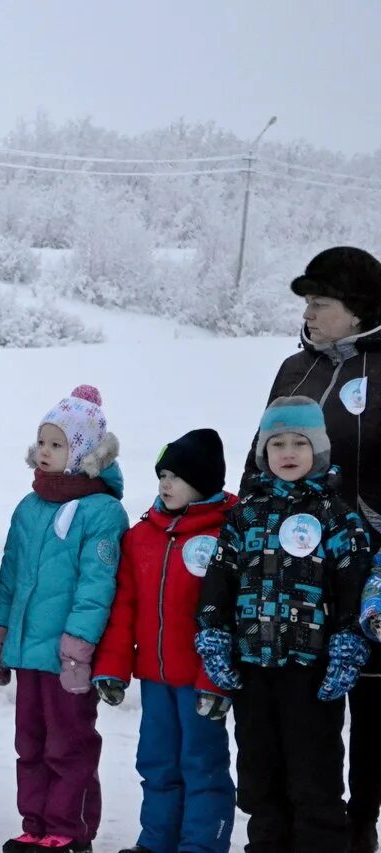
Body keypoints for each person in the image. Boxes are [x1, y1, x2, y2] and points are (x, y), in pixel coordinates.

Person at [243, 246, 381, 853]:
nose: (311, 313)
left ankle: (361, 825)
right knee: (300, 711)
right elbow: (263, 452)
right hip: (294, 572)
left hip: (368, 563)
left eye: (322, 303)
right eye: (308, 303)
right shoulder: (295, 367)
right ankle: (302, 825)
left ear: (357, 310)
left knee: (371, 701)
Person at [200, 396, 373, 851]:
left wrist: (347, 644)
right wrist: (214, 635)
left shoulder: (337, 517)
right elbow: (220, 580)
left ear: (317, 450)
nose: (289, 453)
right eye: (278, 444)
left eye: (300, 442)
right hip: (253, 668)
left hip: (311, 673)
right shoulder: (243, 515)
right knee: (259, 779)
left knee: (313, 779)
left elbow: (352, 586)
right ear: (263, 452)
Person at [0, 385, 128, 853]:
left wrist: (79, 646)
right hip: (28, 652)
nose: (44, 452)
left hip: (68, 656)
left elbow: (96, 586)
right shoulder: (30, 506)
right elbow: (9, 576)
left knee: (69, 745)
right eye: (42, 442)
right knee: (30, 744)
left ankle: (69, 829)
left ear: (84, 451)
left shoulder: (103, 511)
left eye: (57, 444)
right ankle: (36, 823)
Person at [91, 429, 237, 853]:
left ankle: (200, 845)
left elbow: (227, 617)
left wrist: (216, 681)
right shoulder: (143, 536)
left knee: (202, 765)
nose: (165, 485)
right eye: (162, 476)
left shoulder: (225, 536)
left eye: (176, 476)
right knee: (156, 762)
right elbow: (124, 612)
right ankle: (156, 841)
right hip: (155, 680)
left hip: (199, 680)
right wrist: (113, 668)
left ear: (204, 481)